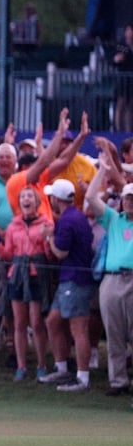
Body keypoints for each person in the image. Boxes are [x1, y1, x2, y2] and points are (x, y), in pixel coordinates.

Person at [39, 179, 97, 391]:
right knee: (53, 321)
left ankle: (83, 378)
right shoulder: (74, 215)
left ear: (56, 199)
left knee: (78, 328)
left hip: (76, 279)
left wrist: (49, 237)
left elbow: (60, 252)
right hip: (69, 278)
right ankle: (62, 369)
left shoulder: (68, 221)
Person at [86, 155, 133, 396]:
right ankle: (118, 382)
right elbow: (90, 198)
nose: (129, 203)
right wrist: (102, 171)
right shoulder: (115, 219)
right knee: (114, 334)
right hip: (112, 280)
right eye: (127, 198)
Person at [0, 185, 53, 381]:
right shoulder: (13, 226)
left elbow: (49, 255)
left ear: (36, 202)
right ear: (18, 203)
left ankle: (41, 364)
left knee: (36, 322)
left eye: (30, 196)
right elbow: (8, 255)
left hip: (36, 273)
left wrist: (47, 239)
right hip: (17, 273)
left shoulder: (45, 223)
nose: (26, 200)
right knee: (18, 322)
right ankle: (21, 366)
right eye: (23, 197)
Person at [112, 24, 133, 132]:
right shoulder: (122, 46)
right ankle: (118, 129)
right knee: (121, 104)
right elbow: (116, 58)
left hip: (131, 81)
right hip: (123, 79)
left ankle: (128, 130)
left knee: (130, 106)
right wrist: (117, 59)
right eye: (128, 30)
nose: (129, 33)